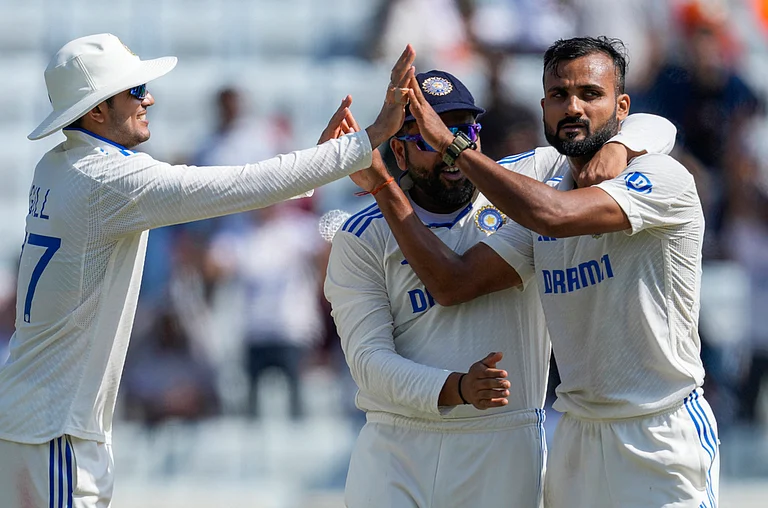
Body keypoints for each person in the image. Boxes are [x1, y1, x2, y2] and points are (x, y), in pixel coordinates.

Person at [0, 33, 415, 508]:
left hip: (43, 421)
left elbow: (233, 192)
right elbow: (232, 187)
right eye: (134, 91)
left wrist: (316, 165)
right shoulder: (108, 180)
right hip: (54, 429)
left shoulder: (57, 167)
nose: (149, 98)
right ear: (96, 111)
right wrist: (364, 143)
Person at [355, 37, 717, 507]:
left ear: (622, 106)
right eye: (560, 96)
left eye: (591, 94)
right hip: (575, 440)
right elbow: (452, 282)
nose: (574, 108)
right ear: (543, 106)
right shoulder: (541, 192)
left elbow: (556, 216)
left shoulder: (663, 178)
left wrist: (450, 145)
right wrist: (383, 183)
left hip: (660, 432)